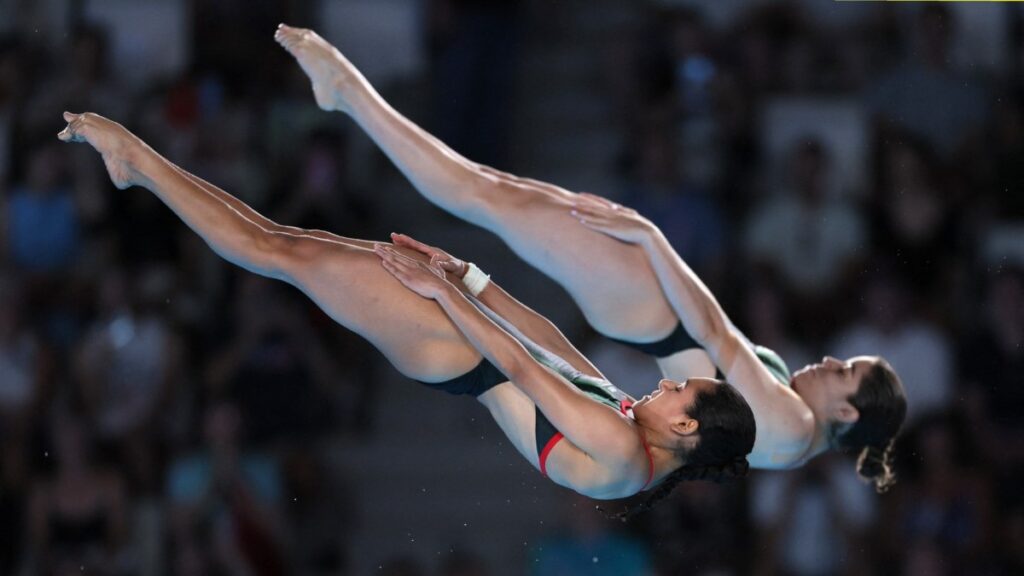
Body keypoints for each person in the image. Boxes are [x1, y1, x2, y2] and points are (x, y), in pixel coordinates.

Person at [274, 24, 906, 489]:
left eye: (843, 370)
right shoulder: (790, 433)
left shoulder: (794, 428)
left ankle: (349, 94)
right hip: (650, 310)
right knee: (491, 192)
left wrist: (653, 241)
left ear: (846, 412)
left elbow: (713, 330)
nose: (828, 360)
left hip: (651, 309)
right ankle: (350, 96)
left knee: (482, 195)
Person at [57, 112, 754, 517]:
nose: (665, 383)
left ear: (688, 426)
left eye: (678, 390)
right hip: (464, 335)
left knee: (280, 251)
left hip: (456, 351)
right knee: (293, 245)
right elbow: (546, 341)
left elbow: (516, 363)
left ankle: (136, 162)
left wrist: (442, 293)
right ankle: (140, 165)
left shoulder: (624, 452)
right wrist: (466, 276)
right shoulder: (631, 429)